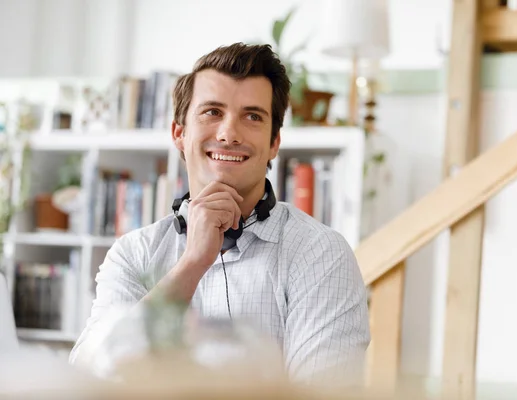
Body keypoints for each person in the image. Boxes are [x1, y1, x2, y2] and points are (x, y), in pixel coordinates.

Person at [69, 43, 370, 386]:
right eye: (212, 112)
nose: (229, 134)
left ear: (274, 143)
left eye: (253, 116)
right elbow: (88, 380)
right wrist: (192, 263)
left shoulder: (322, 254)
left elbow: (326, 393)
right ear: (179, 134)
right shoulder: (133, 254)